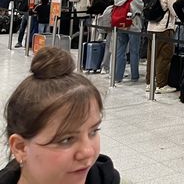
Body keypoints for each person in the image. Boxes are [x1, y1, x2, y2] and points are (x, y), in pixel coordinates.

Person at [0, 48, 120, 184]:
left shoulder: (103, 178)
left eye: (93, 132)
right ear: (20, 147)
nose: (88, 152)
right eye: (66, 139)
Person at [146, 0, 179, 95]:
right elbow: (174, 11)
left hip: (151, 27)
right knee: (163, 58)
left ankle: (149, 83)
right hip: (164, 29)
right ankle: (161, 84)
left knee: (151, 57)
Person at [113, 0, 145, 84]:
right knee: (134, 51)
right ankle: (134, 75)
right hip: (134, 27)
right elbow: (141, 10)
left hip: (120, 26)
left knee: (120, 51)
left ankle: (118, 76)